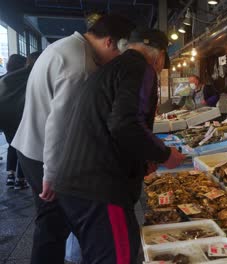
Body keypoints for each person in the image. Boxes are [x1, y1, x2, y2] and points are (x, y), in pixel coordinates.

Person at [53, 28, 185, 263]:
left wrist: (143, 159)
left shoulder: (113, 68)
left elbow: (113, 125)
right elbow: (125, 124)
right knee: (118, 257)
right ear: (159, 56)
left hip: (77, 186)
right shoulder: (140, 68)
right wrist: (165, 154)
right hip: (99, 190)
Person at [11, 15, 134, 264]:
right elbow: (60, 124)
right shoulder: (80, 66)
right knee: (53, 227)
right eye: (121, 52)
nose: (117, 61)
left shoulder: (66, 46)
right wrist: (51, 173)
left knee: (52, 224)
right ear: (110, 42)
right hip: (42, 153)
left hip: (32, 146)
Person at [0, 52, 40, 189]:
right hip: (21, 118)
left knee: (13, 145)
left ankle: (10, 176)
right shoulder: (28, 76)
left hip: (6, 119)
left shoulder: (5, 78)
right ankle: (21, 179)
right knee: (24, 146)